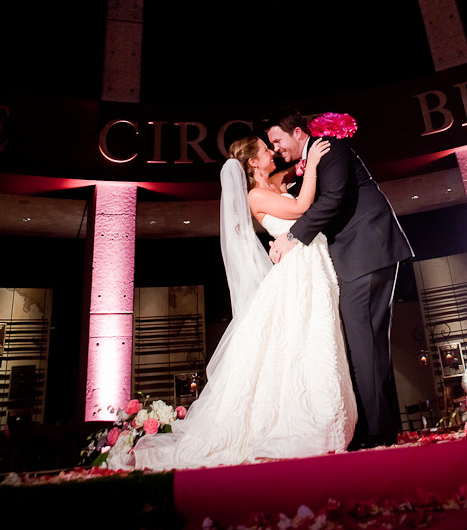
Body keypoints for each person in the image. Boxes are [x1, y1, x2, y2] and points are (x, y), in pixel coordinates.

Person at [127, 133, 357, 470]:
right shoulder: (255, 195)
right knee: (303, 338)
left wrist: (306, 158)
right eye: (266, 150)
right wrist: (313, 168)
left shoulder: (275, 182)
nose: (272, 152)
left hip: (311, 263)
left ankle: (319, 415)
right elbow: (299, 207)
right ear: (252, 162)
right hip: (297, 271)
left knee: (314, 338)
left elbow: (292, 175)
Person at [266, 108, 413, 449]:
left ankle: (376, 433)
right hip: (370, 252)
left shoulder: (329, 147)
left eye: (278, 140)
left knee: (364, 346)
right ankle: (382, 428)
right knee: (371, 345)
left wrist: (291, 237)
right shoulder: (315, 157)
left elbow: (333, 200)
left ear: (298, 133)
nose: (275, 148)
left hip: (365, 252)